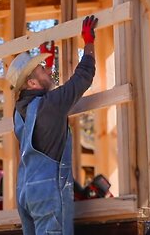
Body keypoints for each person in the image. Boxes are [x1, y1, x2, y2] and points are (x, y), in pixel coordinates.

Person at [5, 15, 98, 235]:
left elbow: (46, 94)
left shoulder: (19, 112)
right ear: (32, 83)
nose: (49, 71)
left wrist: (47, 60)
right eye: (43, 70)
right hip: (47, 192)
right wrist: (88, 43)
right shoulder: (50, 106)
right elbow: (83, 77)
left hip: (26, 194)